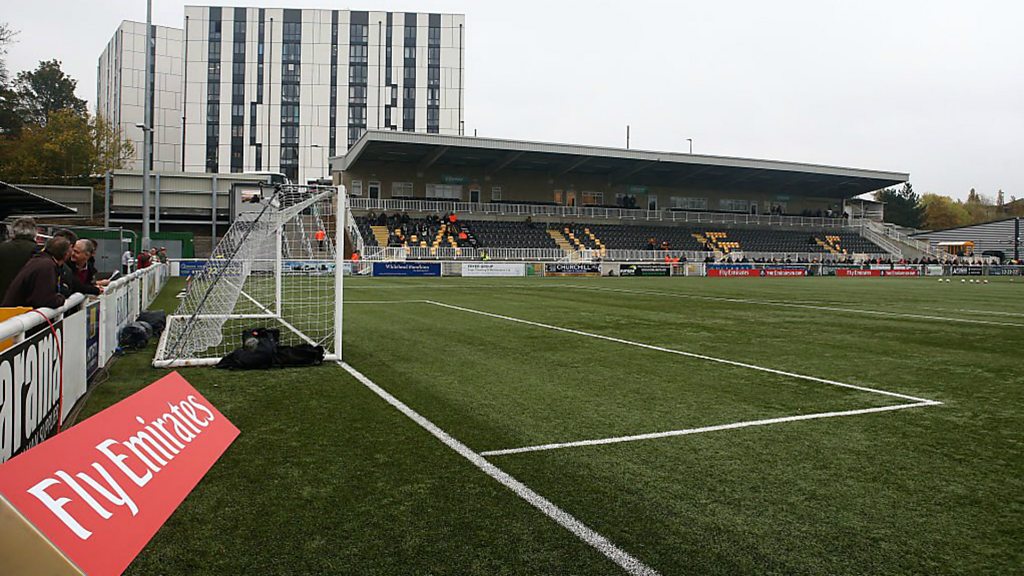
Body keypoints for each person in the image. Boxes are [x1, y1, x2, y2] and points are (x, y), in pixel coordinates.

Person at [2, 236, 71, 309]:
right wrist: (61, 298)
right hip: (16, 313)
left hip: (13, 310)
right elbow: (45, 300)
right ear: (66, 254)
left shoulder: (38, 260)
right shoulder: (46, 266)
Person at [0, 217, 40, 301]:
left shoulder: (2, 248)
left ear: (14, 232)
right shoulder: (40, 252)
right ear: (35, 232)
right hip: (28, 301)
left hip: (3, 300)